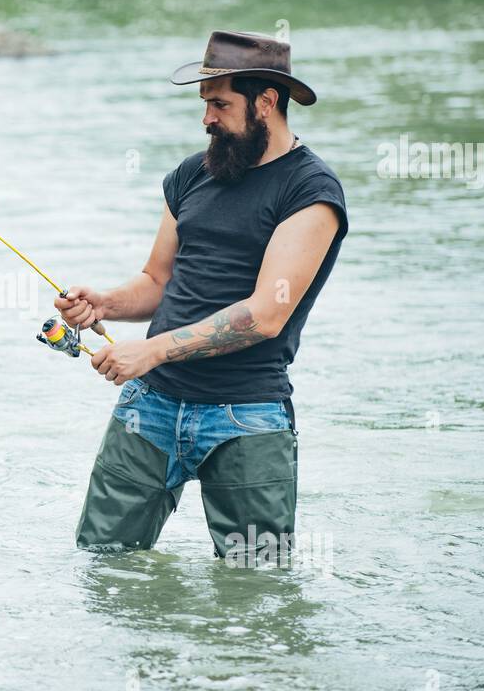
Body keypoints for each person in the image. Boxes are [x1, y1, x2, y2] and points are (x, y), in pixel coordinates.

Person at [57, 30, 348, 563]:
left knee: (256, 589)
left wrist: (152, 350)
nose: (206, 118)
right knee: (104, 567)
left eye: (219, 104)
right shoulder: (193, 174)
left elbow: (266, 316)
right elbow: (157, 281)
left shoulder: (310, 192)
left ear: (266, 101)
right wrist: (104, 305)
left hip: (248, 417)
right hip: (150, 408)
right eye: (205, 104)